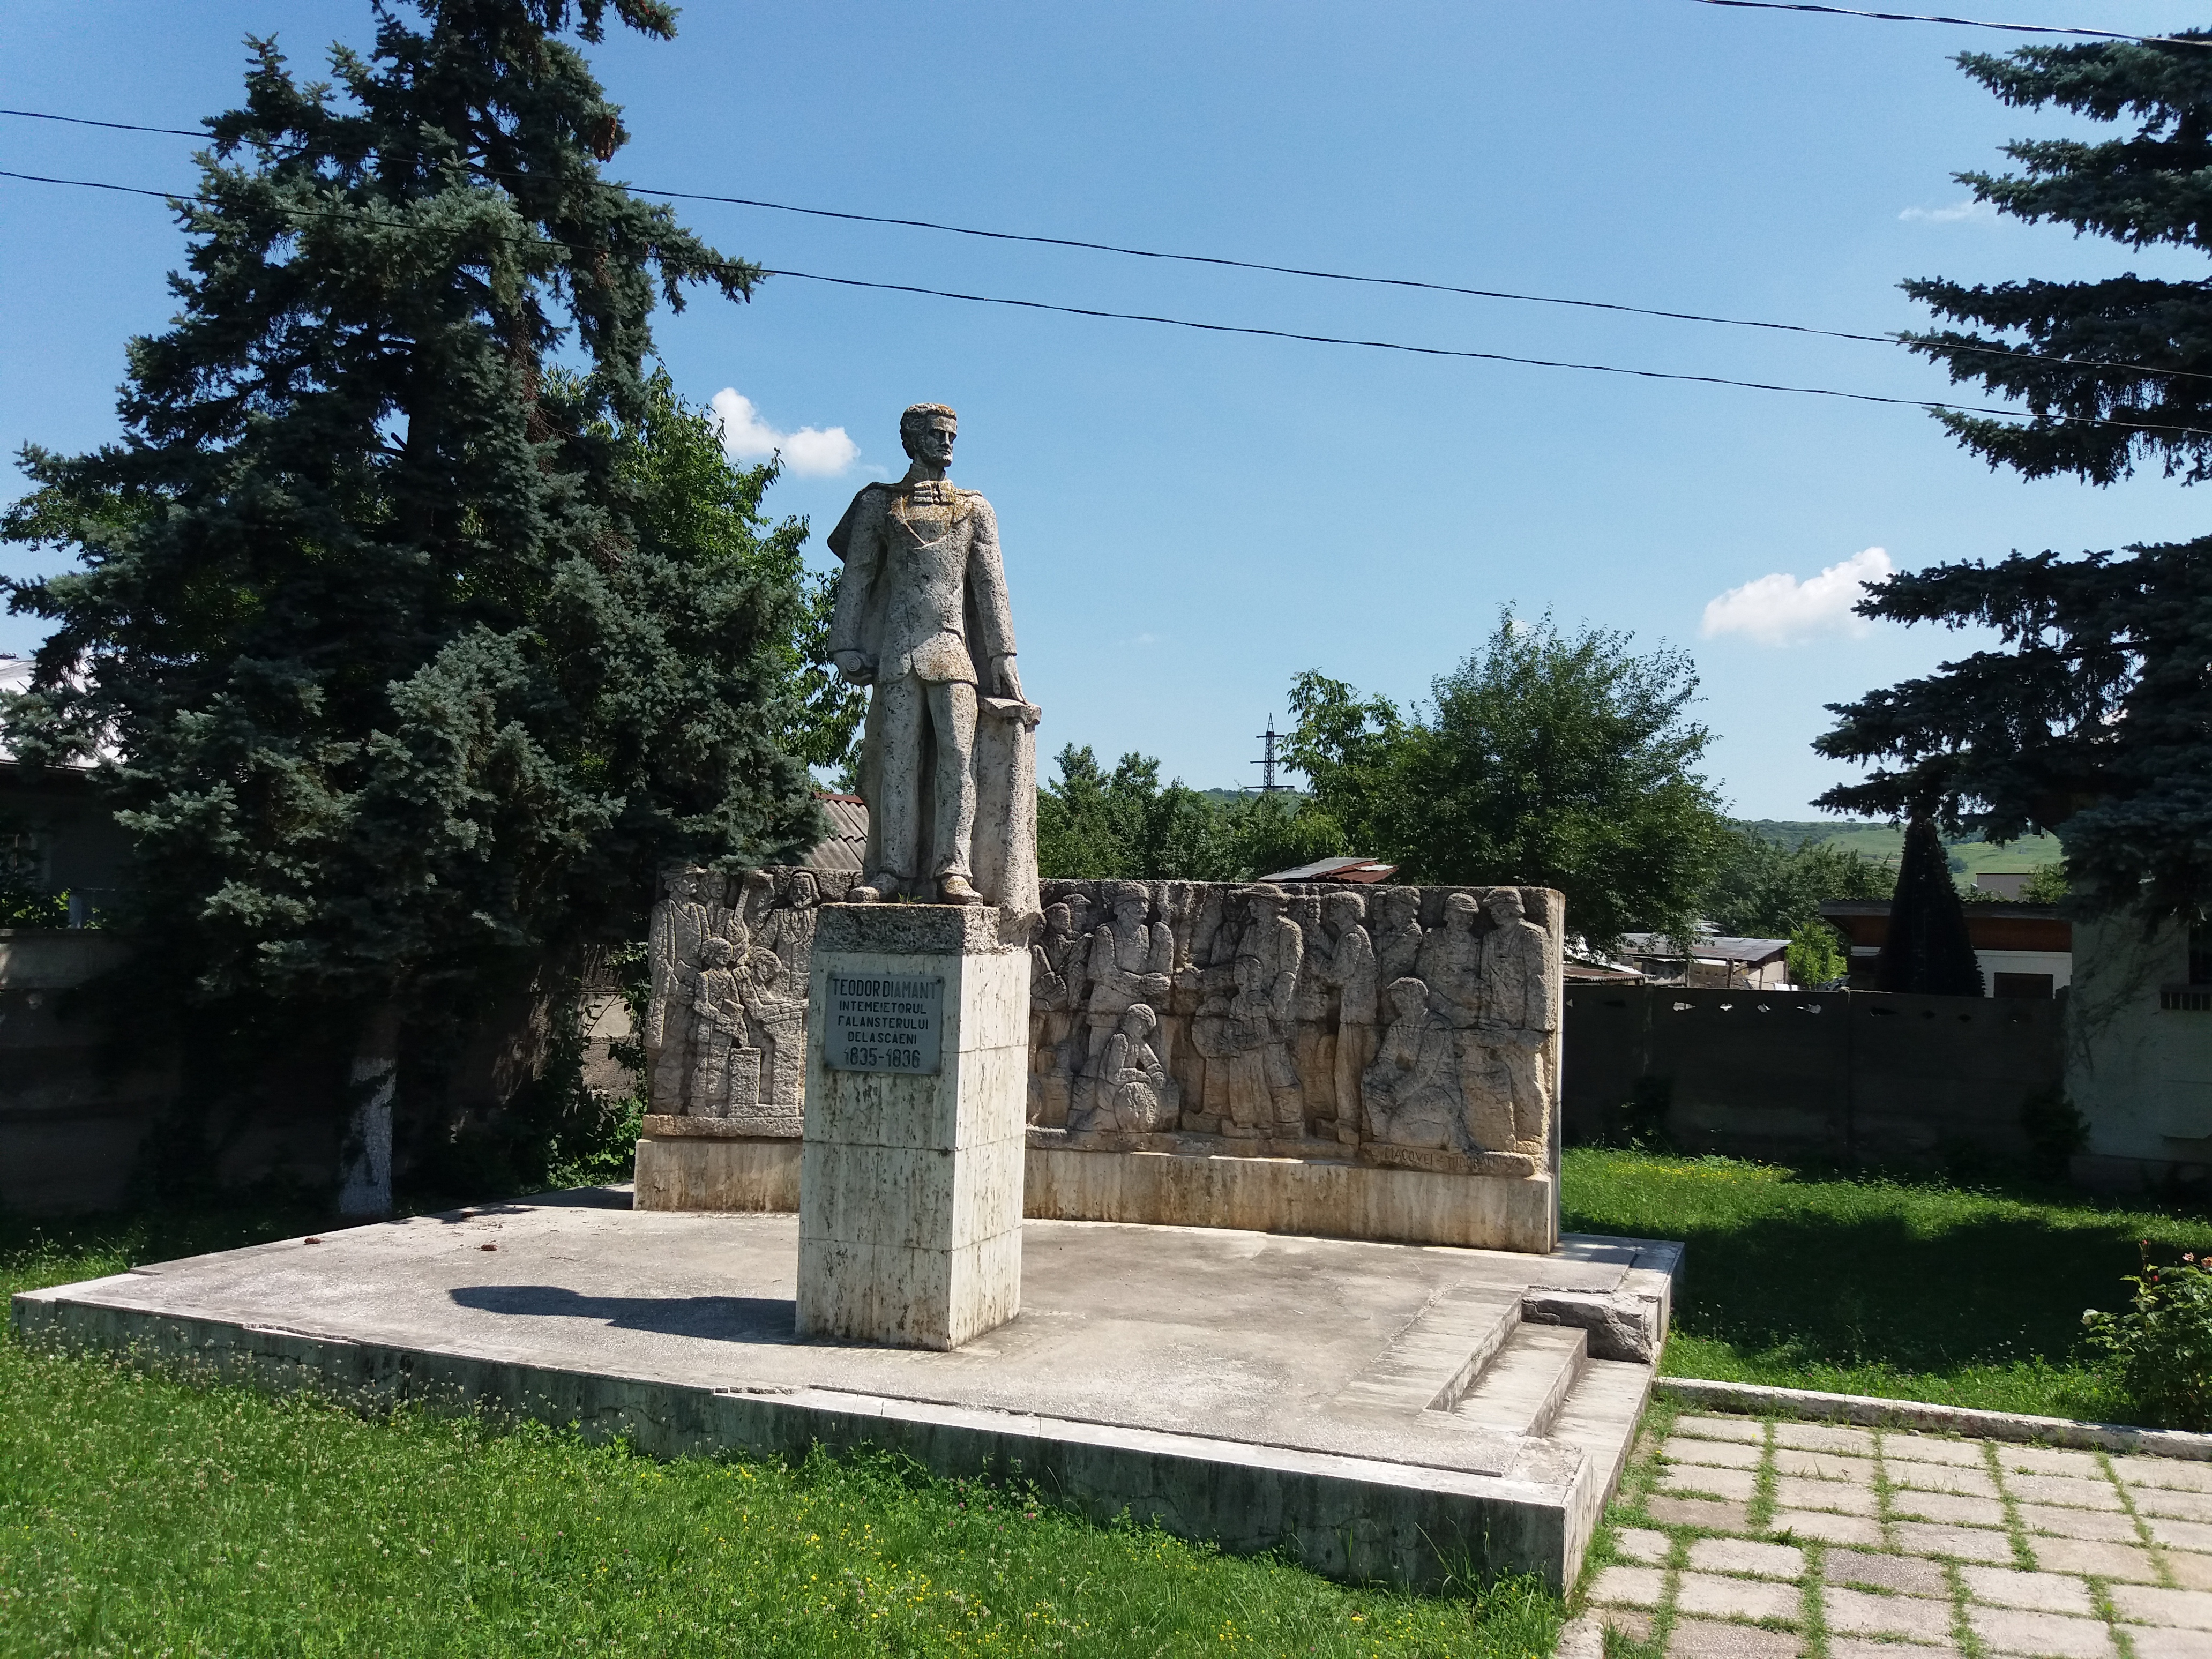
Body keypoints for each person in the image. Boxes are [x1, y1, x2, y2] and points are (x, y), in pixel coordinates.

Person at [826, 403, 1022, 906]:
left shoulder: (975, 508)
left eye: (952, 435)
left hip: (953, 653)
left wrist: (1003, 657)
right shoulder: (879, 504)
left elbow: (991, 587)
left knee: (959, 760)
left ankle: (953, 869)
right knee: (896, 762)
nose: (947, 442)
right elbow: (858, 574)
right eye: (937, 434)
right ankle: (891, 870)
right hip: (897, 654)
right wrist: (844, 644)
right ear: (912, 440)